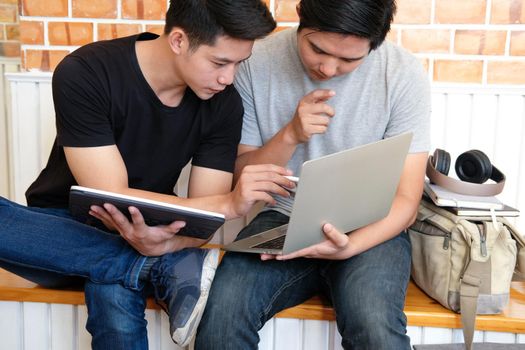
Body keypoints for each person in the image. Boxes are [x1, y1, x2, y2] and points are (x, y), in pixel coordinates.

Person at [0, 1, 292, 349]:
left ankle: (141, 264)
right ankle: (150, 268)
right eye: (219, 62)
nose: (228, 78)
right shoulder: (85, 72)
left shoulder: (223, 103)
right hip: (61, 233)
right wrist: (227, 206)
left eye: (237, 64)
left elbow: (203, 214)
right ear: (179, 40)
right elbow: (109, 194)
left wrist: (168, 242)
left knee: (111, 286)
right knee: (116, 266)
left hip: (152, 228)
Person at [195, 0, 431, 349]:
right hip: (283, 219)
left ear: (375, 43)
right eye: (316, 48)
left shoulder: (402, 74)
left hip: (371, 226)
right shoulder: (254, 61)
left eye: (349, 59)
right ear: (301, 16)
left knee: (375, 327)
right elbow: (240, 177)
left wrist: (350, 246)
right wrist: (290, 134)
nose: (328, 67)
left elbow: (407, 201)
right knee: (221, 318)